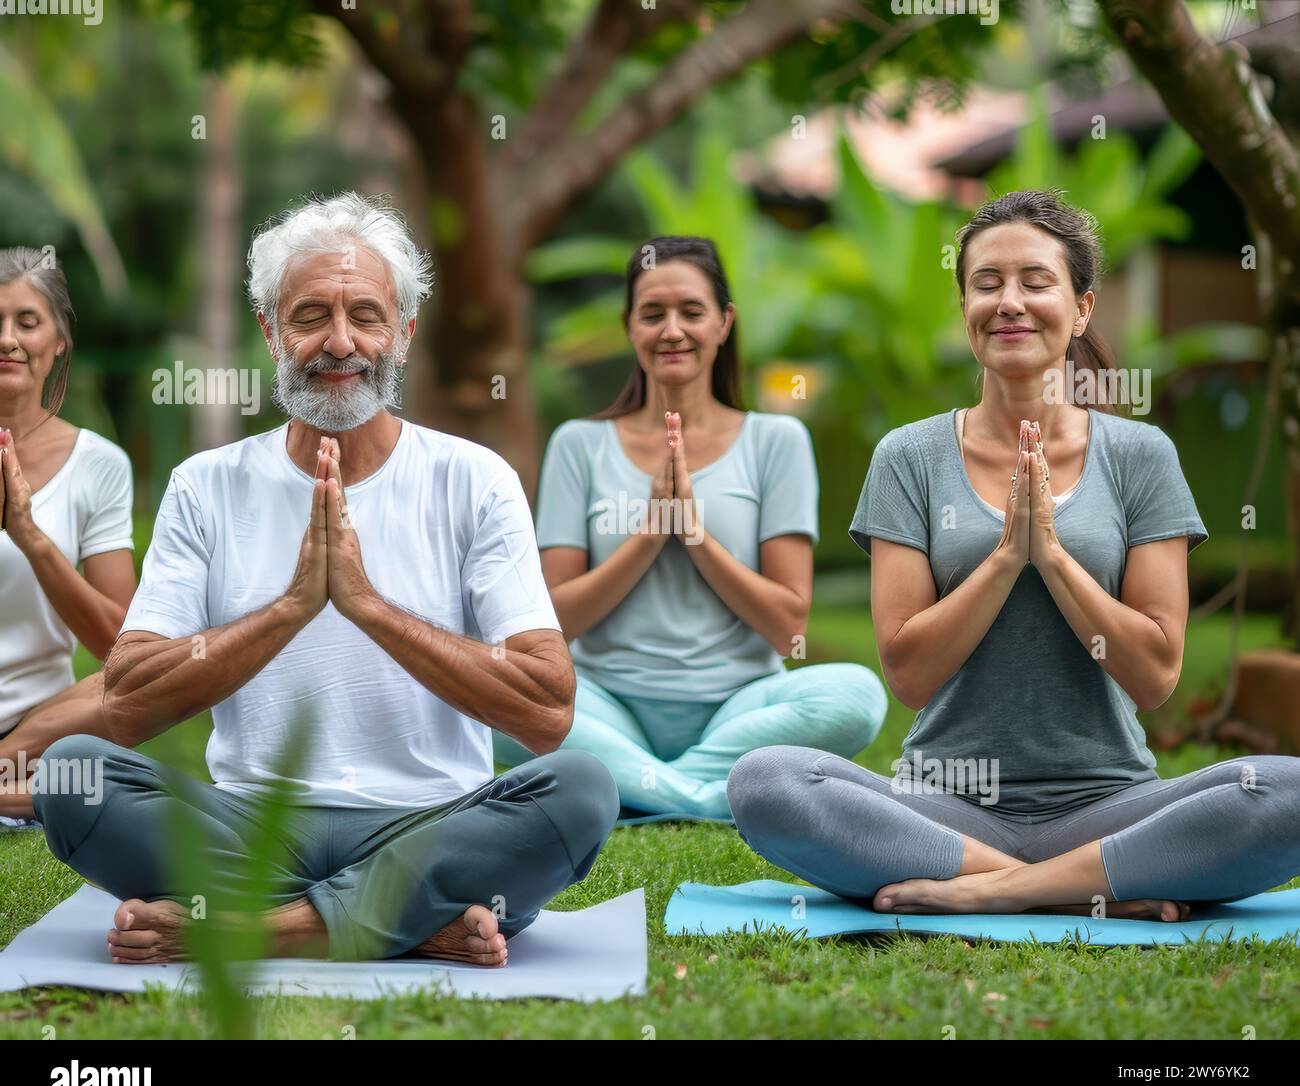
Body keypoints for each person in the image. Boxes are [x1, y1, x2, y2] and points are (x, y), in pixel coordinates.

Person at [34, 193, 619, 965]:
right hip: (252, 828)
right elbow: (128, 699)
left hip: (429, 823)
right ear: (270, 331)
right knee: (74, 774)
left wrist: (369, 608)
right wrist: (292, 609)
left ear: (403, 335)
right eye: (310, 316)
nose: (339, 342)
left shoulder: (475, 479)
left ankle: (261, 931)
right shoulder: (206, 484)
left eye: (366, 316)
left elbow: (547, 712)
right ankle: (406, 920)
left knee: (581, 791)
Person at [728, 189, 1300, 920]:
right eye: (987, 283)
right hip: (943, 809)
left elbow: (1155, 675)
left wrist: (1053, 557)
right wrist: (1004, 559)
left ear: (1082, 308)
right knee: (766, 782)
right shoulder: (909, 457)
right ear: (964, 305)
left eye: (1036, 281)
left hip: (1111, 809)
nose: (1009, 302)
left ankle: (1006, 893)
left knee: (1285, 793)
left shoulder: (1140, 457)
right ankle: (1084, 891)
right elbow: (907, 672)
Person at [494, 237, 886, 820]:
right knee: (486, 695)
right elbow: (555, 621)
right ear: (630, 327)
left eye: (691, 312)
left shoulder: (775, 442)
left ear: (724, 323)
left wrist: (696, 536)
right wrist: (650, 535)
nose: (671, 330)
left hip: (740, 707)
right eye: (652, 314)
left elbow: (788, 626)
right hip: (605, 705)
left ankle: (638, 785)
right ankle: (707, 795)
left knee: (859, 696)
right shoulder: (579, 444)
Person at [0, 247, 136, 828]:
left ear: (58, 343)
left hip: (43, 725)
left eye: (27, 322)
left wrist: (27, 534)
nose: (7, 339)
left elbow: (121, 649)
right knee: (97, 786)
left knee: (149, 681)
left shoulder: (98, 464)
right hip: (40, 766)